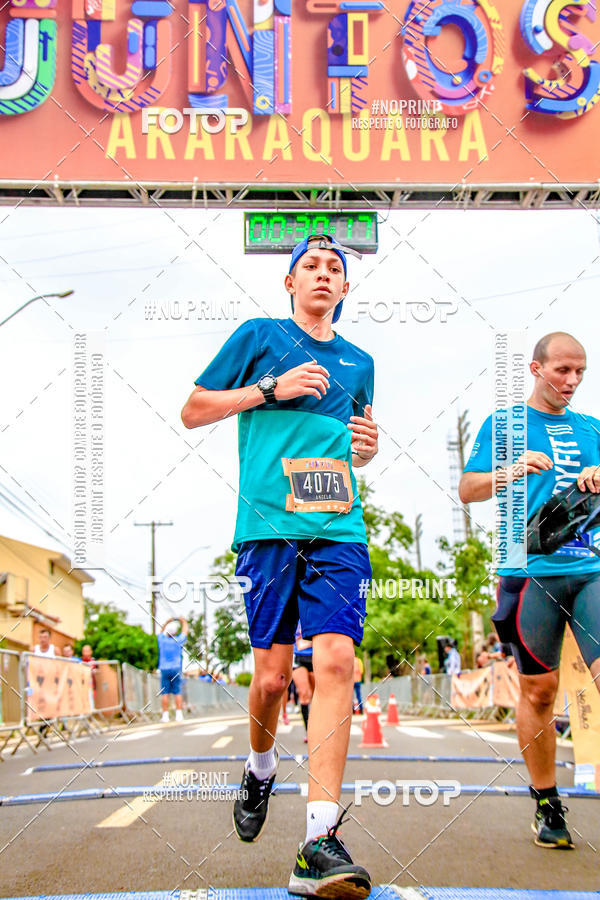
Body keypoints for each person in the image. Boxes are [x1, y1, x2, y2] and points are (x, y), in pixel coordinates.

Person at [181, 232, 378, 898]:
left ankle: (319, 839)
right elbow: (193, 409)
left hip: (340, 529)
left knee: (334, 666)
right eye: (309, 267)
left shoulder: (359, 361)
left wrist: (370, 446)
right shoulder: (259, 335)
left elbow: (355, 444)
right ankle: (260, 766)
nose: (322, 274)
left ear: (345, 289)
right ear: (290, 283)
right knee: (269, 678)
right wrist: (269, 388)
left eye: (334, 268)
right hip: (267, 528)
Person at [459, 331, 600, 850]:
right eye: (562, 370)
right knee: (539, 692)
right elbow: (467, 489)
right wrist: (513, 470)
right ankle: (547, 804)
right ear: (537, 370)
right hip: (529, 572)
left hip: (590, 567)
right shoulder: (506, 425)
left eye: (580, 371)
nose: (572, 381)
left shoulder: (592, 428)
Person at [157, 617, 188, 722]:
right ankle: (178, 714)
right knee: (177, 691)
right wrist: (183, 621)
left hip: (164, 669)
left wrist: (166, 621)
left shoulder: (162, 640)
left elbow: (160, 631)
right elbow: (185, 631)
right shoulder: (178, 640)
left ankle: (165, 716)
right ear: (175, 632)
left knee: (165, 692)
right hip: (176, 668)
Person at [292, 624, 314, 741]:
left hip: (316, 656)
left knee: (317, 696)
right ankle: (309, 731)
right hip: (299, 658)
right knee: (304, 694)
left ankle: (319, 729)